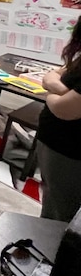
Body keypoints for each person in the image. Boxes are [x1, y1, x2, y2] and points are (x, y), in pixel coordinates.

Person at [38, 17, 81, 222]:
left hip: (69, 151)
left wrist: (51, 95)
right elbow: (51, 75)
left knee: (60, 210)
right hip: (58, 144)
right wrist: (65, 91)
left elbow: (65, 109)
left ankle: (52, 250)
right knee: (52, 198)